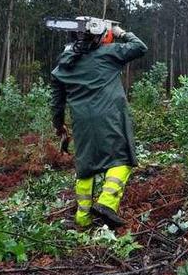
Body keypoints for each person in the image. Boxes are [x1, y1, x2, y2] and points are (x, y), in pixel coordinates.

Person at [50, 22, 147, 228]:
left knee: (86, 168)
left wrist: (59, 127)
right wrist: (121, 32)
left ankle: (82, 219)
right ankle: (106, 203)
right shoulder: (108, 53)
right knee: (122, 159)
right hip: (110, 116)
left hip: (82, 122)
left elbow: (56, 104)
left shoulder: (62, 66)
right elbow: (140, 47)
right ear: (99, 35)